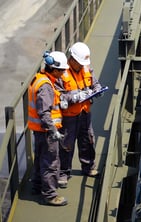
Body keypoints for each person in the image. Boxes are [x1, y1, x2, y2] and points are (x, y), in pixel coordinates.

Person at [55, 42, 103, 188]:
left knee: (87, 140)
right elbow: (58, 95)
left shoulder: (86, 68)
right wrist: (74, 96)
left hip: (84, 112)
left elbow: (95, 83)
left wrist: (97, 90)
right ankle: (63, 173)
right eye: (80, 63)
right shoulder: (61, 73)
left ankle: (88, 167)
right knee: (66, 145)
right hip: (69, 116)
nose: (82, 66)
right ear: (72, 60)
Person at [28, 51, 69, 206]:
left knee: (39, 159)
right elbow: (44, 113)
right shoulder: (45, 86)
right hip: (46, 132)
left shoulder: (39, 78)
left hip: (38, 130)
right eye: (62, 70)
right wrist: (53, 131)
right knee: (51, 162)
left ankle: (37, 186)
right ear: (54, 69)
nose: (64, 73)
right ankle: (50, 196)